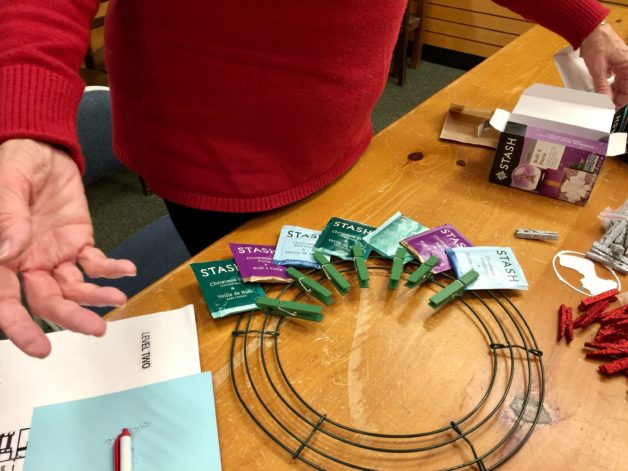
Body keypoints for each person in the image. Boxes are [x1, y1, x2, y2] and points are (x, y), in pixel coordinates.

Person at [0, 0, 627, 358]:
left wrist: (584, 20)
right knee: (256, 328)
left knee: (324, 292)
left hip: (343, 136)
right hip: (210, 153)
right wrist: (29, 125)